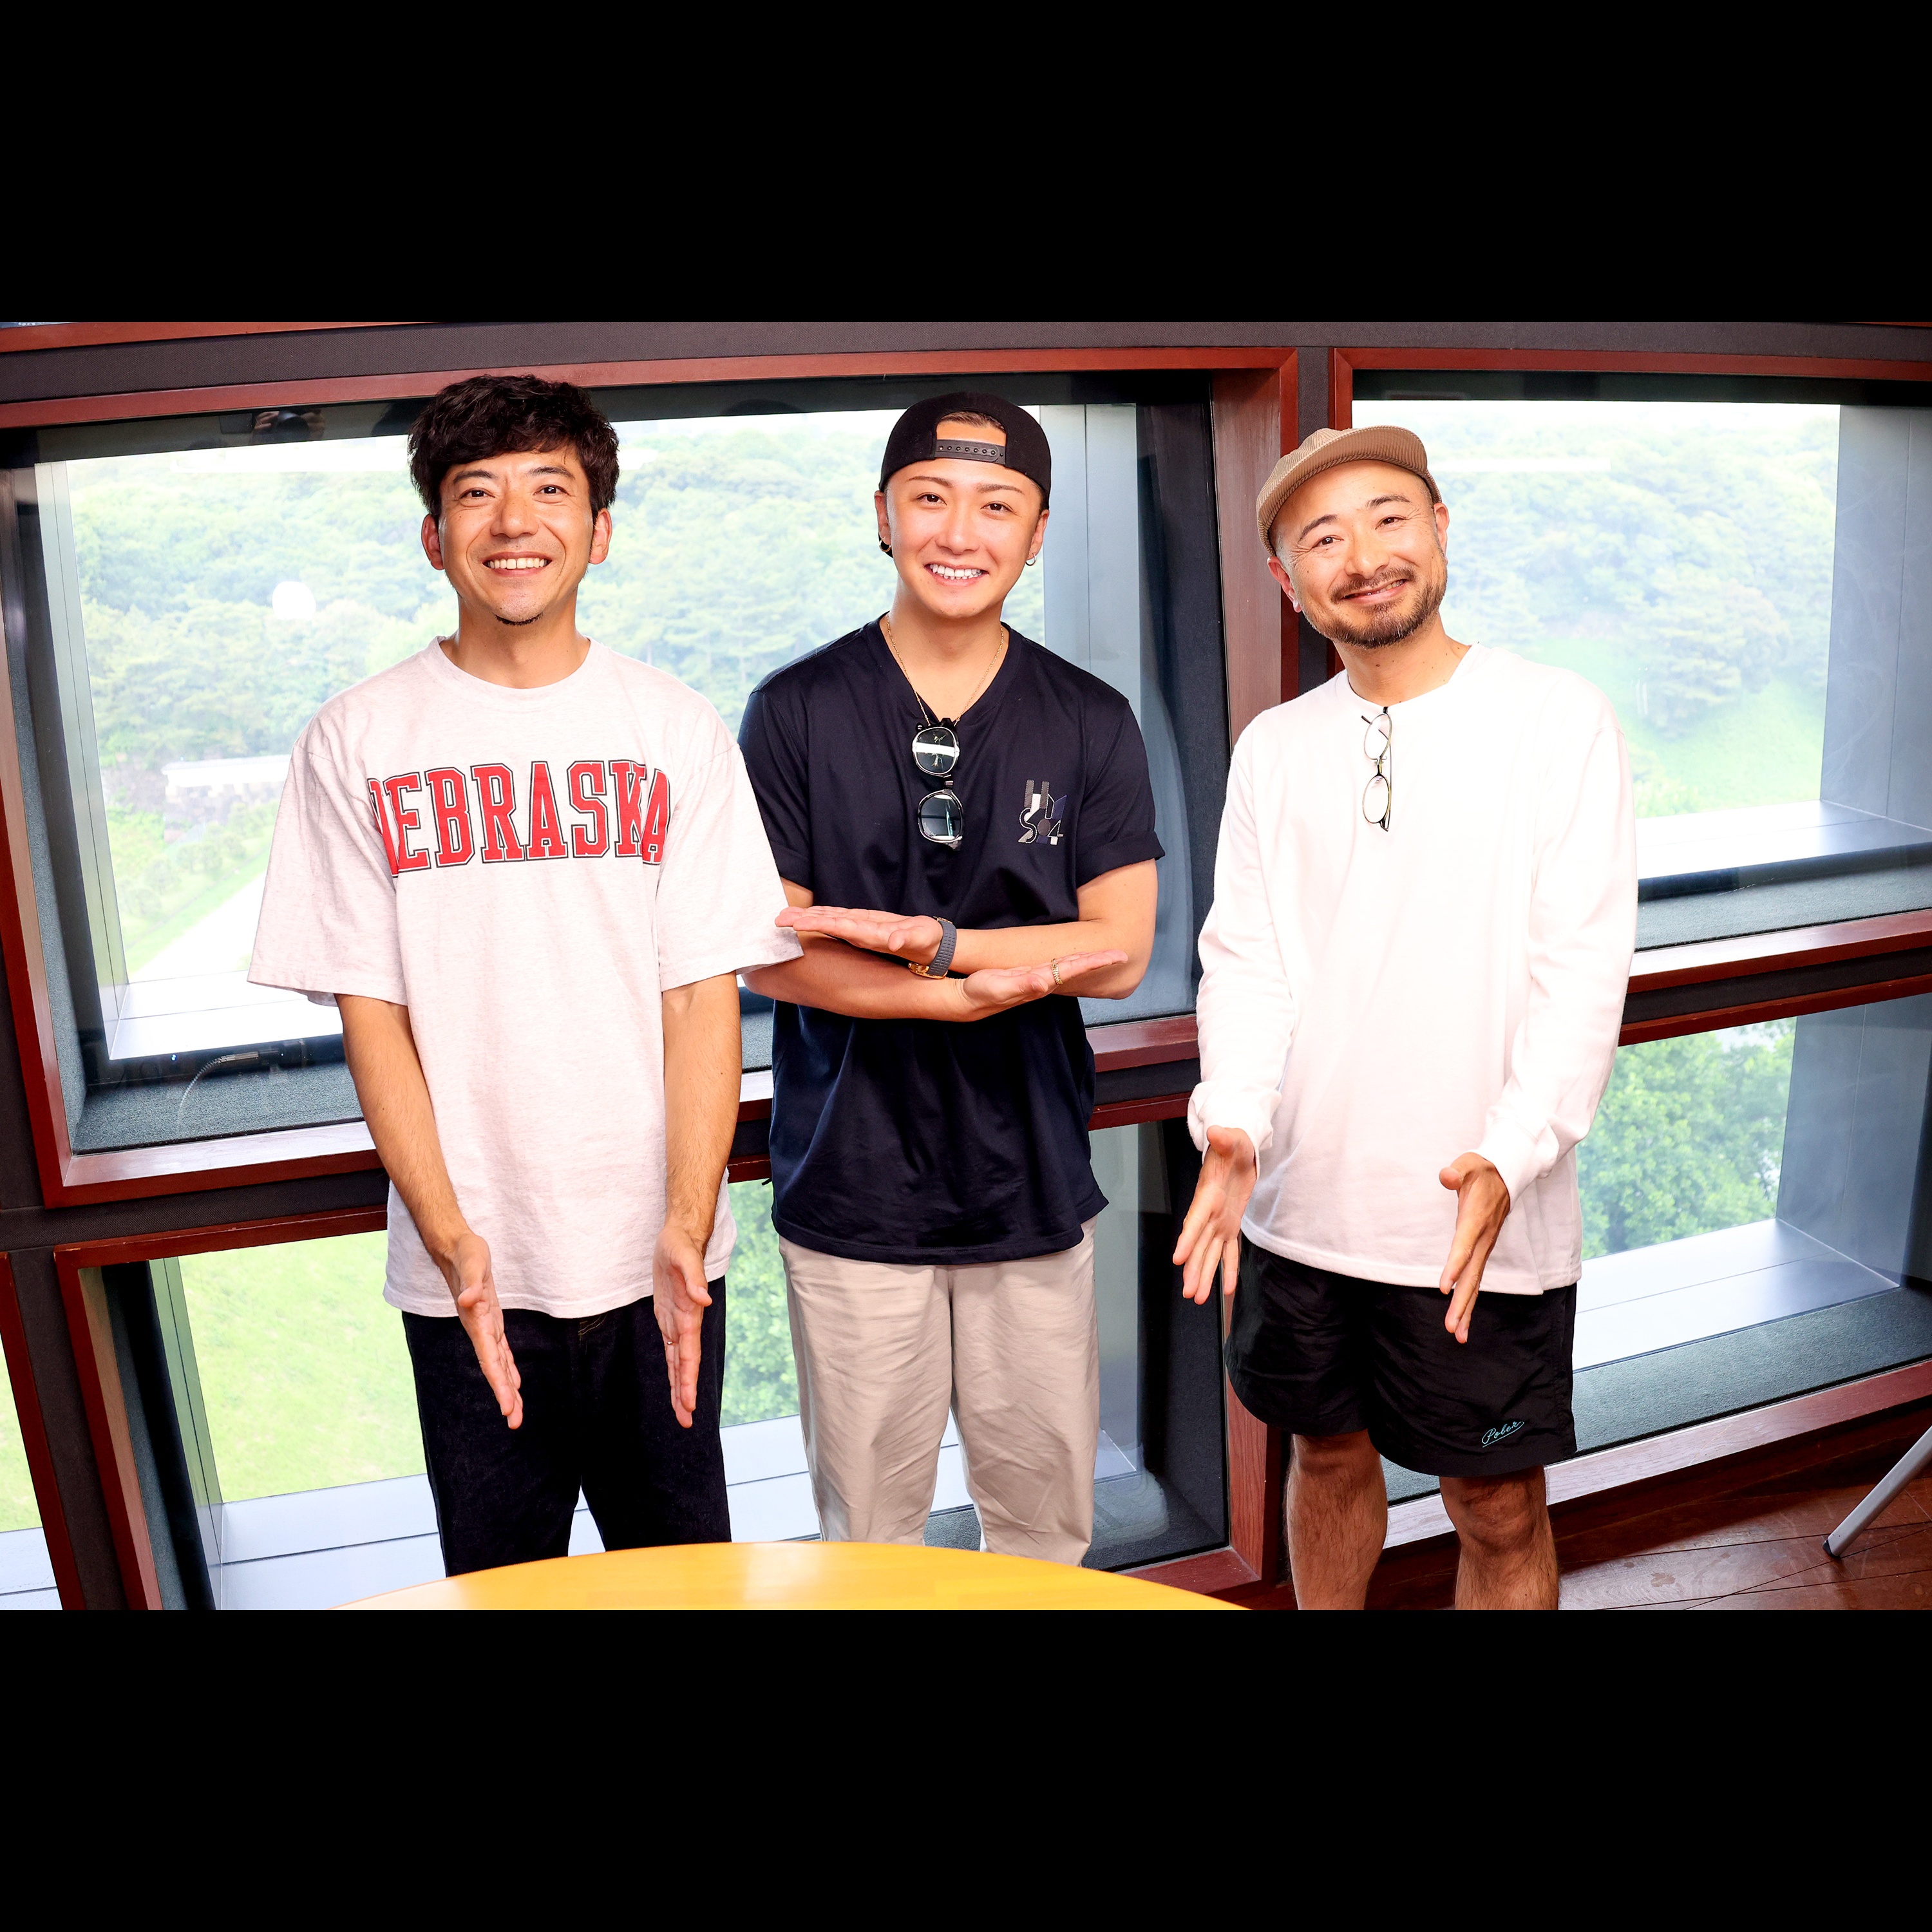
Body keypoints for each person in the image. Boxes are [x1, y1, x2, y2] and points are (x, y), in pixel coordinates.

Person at [249, 374, 799, 1574]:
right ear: (433, 535)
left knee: (687, 1582)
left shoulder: (673, 728)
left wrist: (686, 1223)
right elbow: (374, 1017)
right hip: (469, 1279)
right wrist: (452, 1241)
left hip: (660, 1264)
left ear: (599, 532)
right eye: (476, 493)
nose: (514, 522)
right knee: (501, 1589)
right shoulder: (356, 739)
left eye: (551, 490)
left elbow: (701, 998)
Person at [1174, 423, 1636, 1609]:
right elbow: (1248, 961)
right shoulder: (1275, 747)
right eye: (1323, 538)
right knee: (1325, 1456)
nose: (1363, 556)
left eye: (1388, 518)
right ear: (1288, 580)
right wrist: (1233, 1121)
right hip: (1298, 1210)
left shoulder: (1555, 716)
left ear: (1439, 528)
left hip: (1477, 1216)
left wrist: (1512, 1151)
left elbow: (1582, 970)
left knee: (1496, 1504)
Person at [737, 392, 1162, 1564]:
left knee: (1044, 1531)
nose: (959, 533)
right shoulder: (795, 710)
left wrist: (938, 945)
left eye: (997, 506)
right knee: (869, 1542)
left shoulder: (1089, 719)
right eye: (929, 498)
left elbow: (1121, 950)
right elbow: (778, 955)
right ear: (883, 515)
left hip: (1031, 1179)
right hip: (850, 1191)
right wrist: (962, 993)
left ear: (1037, 534)